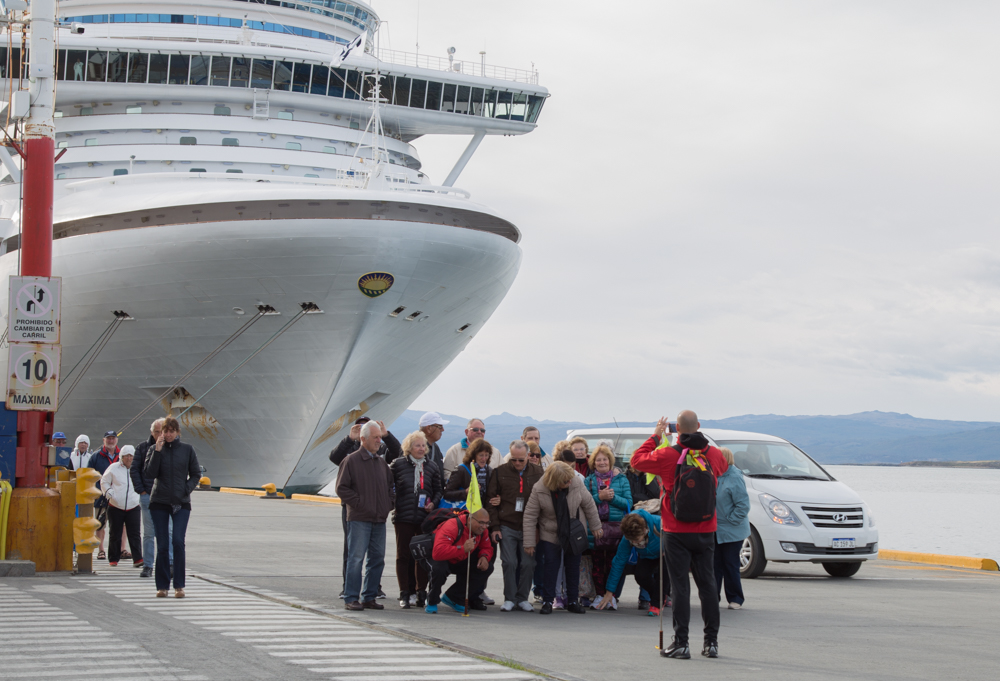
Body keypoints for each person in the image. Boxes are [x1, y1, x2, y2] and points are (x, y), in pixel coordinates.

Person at [631, 411, 729, 660]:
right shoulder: (714, 454)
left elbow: (637, 461)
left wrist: (656, 436)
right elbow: (724, 467)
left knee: (680, 587)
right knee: (707, 586)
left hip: (675, 530)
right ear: (698, 426)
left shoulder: (667, 454)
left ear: (676, 430)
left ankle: (681, 643)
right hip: (706, 529)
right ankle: (711, 643)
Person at [329, 417, 400, 599]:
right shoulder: (351, 460)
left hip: (378, 518)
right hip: (359, 518)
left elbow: (391, 487)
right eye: (375, 437)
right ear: (363, 439)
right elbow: (341, 488)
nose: (379, 441)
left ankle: (369, 596)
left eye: (379, 437)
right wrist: (360, 504)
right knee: (356, 558)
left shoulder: (382, 463)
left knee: (377, 559)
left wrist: (387, 505)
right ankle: (351, 596)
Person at [523, 461, 602, 615]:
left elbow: (589, 504)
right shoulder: (540, 488)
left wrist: (596, 526)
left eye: (570, 479)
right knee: (551, 566)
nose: (569, 482)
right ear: (555, 481)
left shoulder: (575, 482)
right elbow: (530, 516)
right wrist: (529, 542)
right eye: (565, 481)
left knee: (573, 566)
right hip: (550, 531)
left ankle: (573, 601)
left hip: (573, 530)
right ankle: (547, 601)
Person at [143, 416, 201, 598]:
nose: (167, 435)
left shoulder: (187, 450)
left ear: (177, 432)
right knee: (162, 544)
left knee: (177, 541)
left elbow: (196, 474)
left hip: (181, 502)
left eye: (171, 431)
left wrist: (186, 489)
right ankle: (162, 586)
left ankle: (179, 585)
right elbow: (149, 473)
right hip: (159, 502)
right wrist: (158, 451)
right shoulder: (154, 449)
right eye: (164, 431)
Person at [487, 440, 543, 612]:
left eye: (521, 460)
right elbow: (491, 502)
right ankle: (510, 598)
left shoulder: (538, 472)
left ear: (528, 456)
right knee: (509, 562)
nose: (517, 463)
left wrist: (538, 528)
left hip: (529, 526)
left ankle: (522, 598)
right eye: (514, 459)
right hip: (507, 524)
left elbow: (544, 501)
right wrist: (495, 527)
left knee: (528, 564)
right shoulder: (499, 472)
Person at [390, 430, 443, 609]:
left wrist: (433, 504)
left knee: (422, 555)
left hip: (423, 518)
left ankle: (421, 592)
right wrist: (393, 503)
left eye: (423, 446)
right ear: (409, 448)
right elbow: (389, 486)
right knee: (403, 555)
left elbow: (438, 490)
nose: (421, 449)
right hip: (403, 517)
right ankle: (405, 593)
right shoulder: (397, 465)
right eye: (417, 445)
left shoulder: (432, 467)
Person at [443, 438, 497, 604]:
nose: (484, 458)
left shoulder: (489, 471)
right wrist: (465, 492)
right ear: (473, 455)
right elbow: (447, 493)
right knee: (466, 560)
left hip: (483, 522)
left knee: (486, 559)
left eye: (486, 455)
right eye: (481, 455)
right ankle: (461, 595)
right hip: (465, 521)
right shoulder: (462, 470)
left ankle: (476, 593)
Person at [595, 509, 670, 616]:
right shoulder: (627, 538)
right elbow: (619, 562)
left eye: (637, 540)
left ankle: (656, 604)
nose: (634, 542)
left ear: (645, 530)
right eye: (632, 541)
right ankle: (658, 596)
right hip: (646, 555)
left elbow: (677, 538)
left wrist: (669, 550)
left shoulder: (659, 523)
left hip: (666, 554)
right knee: (640, 576)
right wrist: (609, 592)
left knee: (664, 573)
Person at [584, 444, 632, 608]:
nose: (602, 462)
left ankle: (611, 596)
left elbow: (628, 503)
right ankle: (598, 595)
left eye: (605, 459)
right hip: (595, 528)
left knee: (613, 564)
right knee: (597, 564)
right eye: (598, 460)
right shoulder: (588, 481)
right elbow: (585, 503)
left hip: (616, 529)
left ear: (610, 461)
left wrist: (612, 498)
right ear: (593, 462)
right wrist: (599, 497)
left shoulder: (622, 479)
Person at [425, 508, 493, 614]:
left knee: (486, 567)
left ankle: (454, 597)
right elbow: (437, 553)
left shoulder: (482, 531)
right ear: (470, 520)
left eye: (487, 523)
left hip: (460, 558)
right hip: (441, 557)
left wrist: (484, 556)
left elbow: (487, 547)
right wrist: (462, 548)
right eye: (481, 523)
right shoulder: (452, 526)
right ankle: (432, 601)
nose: (484, 527)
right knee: (439, 570)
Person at [714, 448, 750, 610]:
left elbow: (743, 505)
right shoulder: (713, 475)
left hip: (732, 530)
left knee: (730, 564)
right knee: (714, 565)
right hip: (714, 529)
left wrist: (730, 520)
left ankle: (735, 598)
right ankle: (712, 597)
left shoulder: (734, 477)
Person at [132, 418, 168, 579]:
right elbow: (135, 470)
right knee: (148, 533)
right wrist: (142, 491)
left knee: (169, 532)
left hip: (168, 498)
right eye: (156, 432)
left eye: (162, 431)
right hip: (148, 496)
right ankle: (148, 565)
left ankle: (168, 564)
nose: (160, 434)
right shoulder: (142, 448)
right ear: (152, 432)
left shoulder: (175, 448)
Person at [625, 461, 661, 609]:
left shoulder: (650, 476)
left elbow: (655, 494)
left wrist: (647, 475)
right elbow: (630, 497)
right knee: (642, 570)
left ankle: (653, 600)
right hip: (633, 521)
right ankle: (651, 598)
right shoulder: (625, 477)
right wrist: (643, 498)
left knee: (660, 573)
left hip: (652, 522)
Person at [100, 445, 143, 568]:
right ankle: (113, 558)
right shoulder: (113, 468)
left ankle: (138, 558)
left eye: (131, 456)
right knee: (115, 533)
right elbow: (104, 481)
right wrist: (108, 491)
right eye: (126, 456)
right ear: (122, 457)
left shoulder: (138, 468)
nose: (129, 458)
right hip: (115, 505)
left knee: (135, 533)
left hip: (133, 505)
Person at [88, 431, 121, 560]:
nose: (111, 441)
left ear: (116, 440)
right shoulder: (96, 457)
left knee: (119, 525)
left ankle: (119, 549)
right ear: (104, 440)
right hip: (101, 497)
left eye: (113, 439)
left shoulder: (122, 455)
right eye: (108, 439)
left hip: (118, 497)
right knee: (100, 524)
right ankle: (101, 550)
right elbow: (89, 475)